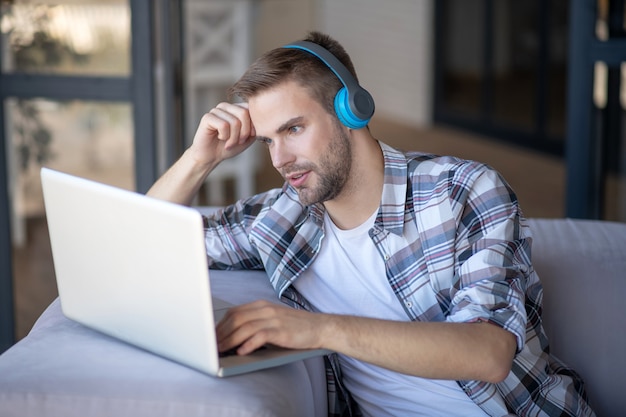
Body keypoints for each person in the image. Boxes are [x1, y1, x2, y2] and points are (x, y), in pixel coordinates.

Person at [147, 31, 594, 417]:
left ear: (352, 109)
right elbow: (145, 241)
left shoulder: (463, 191)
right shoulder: (280, 217)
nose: (280, 160)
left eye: (294, 129)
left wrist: (318, 329)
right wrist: (197, 160)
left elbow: (488, 353)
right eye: (267, 140)